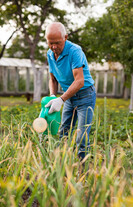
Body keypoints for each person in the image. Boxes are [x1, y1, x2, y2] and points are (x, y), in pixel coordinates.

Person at [45, 22, 96, 160]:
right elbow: (53, 79)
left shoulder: (74, 51)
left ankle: (83, 169)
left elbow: (80, 81)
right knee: (63, 132)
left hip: (85, 94)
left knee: (81, 135)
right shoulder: (50, 54)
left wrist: (61, 99)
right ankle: (62, 164)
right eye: (50, 43)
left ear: (65, 37)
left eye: (57, 43)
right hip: (68, 96)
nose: (54, 47)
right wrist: (52, 96)